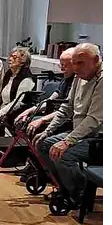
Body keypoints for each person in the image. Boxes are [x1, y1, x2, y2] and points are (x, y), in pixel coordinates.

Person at [36, 43, 103, 207]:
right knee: (43, 144)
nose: (76, 68)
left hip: (98, 139)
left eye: (80, 63)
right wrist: (48, 130)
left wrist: (67, 141)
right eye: (74, 63)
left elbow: (94, 119)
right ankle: (64, 187)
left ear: (96, 60)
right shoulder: (78, 77)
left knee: (64, 154)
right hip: (80, 134)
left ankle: (80, 195)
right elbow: (67, 108)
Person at [15, 47, 76, 137]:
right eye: (61, 65)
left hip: (66, 119)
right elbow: (49, 100)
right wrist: (29, 111)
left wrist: (42, 119)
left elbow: (67, 110)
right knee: (22, 120)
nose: (62, 69)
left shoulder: (77, 81)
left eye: (65, 66)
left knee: (30, 125)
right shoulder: (65, 79)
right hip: (55, 114)